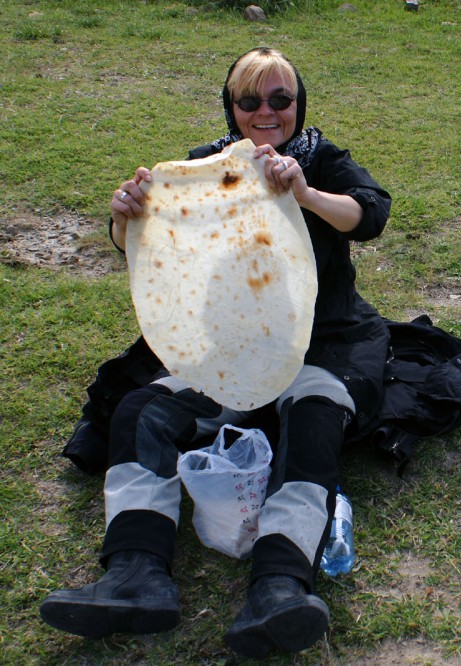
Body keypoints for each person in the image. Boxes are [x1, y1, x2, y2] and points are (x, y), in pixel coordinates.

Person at [39, 47, 392, 658]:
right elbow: (144, 241)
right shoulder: (205, 166)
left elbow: (368, 215)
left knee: (312, 420)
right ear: (231, 107)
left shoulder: (320, 158)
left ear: (297, 104)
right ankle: (135, 573)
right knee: (140, 412)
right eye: (248, 100)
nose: (265, 111)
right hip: (229, 344)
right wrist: (125, 217)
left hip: (323, 343)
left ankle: (279, 586)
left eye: (280, 99)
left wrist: (303, 193)